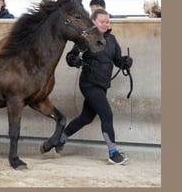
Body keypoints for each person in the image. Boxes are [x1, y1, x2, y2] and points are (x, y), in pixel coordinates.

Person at [57, 9, 133, 164]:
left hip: (102, 84)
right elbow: (70, 57)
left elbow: (117, 60)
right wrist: (75, 61)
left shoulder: (111, 39)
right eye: (102, 22)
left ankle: (61, 138)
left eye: (107, 22)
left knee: (86, 117)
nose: (105, 24)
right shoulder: (85, 38)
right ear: (93, 22)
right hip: (89, 83)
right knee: (107, 115)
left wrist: (125, 62)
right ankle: (113, 152)